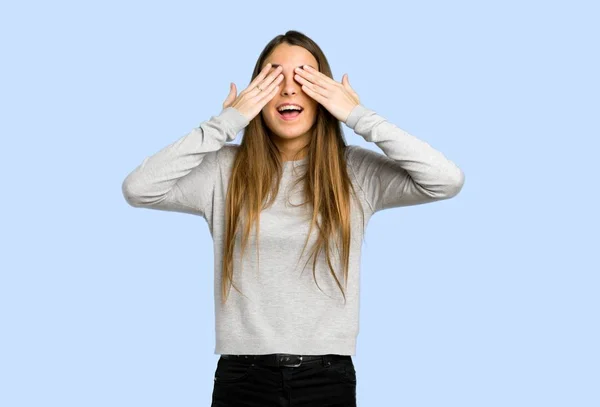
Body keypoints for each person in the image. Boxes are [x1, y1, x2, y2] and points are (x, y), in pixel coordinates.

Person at [121, 30, 464, 407]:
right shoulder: (223, 172)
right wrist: (227, 122)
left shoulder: (354, 173)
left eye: (304, 78)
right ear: (256, 94)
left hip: (327, 377)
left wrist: (356, 115)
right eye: (273, 79)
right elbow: (139, 188)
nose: (288, 90)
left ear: (325, 93)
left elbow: (445, 180)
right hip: (242, 378)